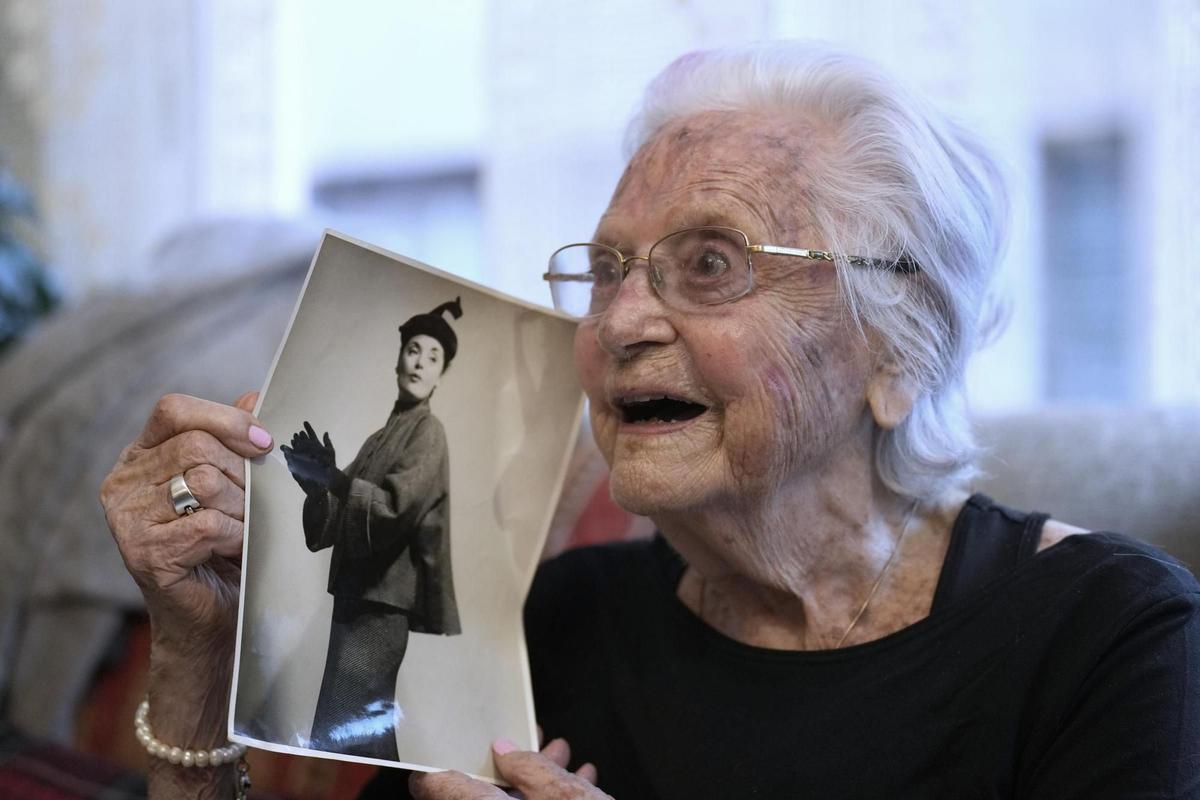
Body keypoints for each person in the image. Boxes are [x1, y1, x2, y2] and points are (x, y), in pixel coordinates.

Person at [101, 42, 1199, 800]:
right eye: (610, 266)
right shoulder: (546, 624)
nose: (620, 319)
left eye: (709, 264)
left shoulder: (1109, 634)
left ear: (898, 349)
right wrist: (198, 651)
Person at [279, 298, 464, 760]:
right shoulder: (378, 439)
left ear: (442, 374)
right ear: (398, 359)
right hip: (356, 596)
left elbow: (395, 510)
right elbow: (334, 520)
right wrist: (317, 488)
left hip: (384, 604)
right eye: (414, 350)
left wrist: (337, 479)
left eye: (433, 357)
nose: (420, 362)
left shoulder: (429, 434)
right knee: (356, 727)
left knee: (351, 724)